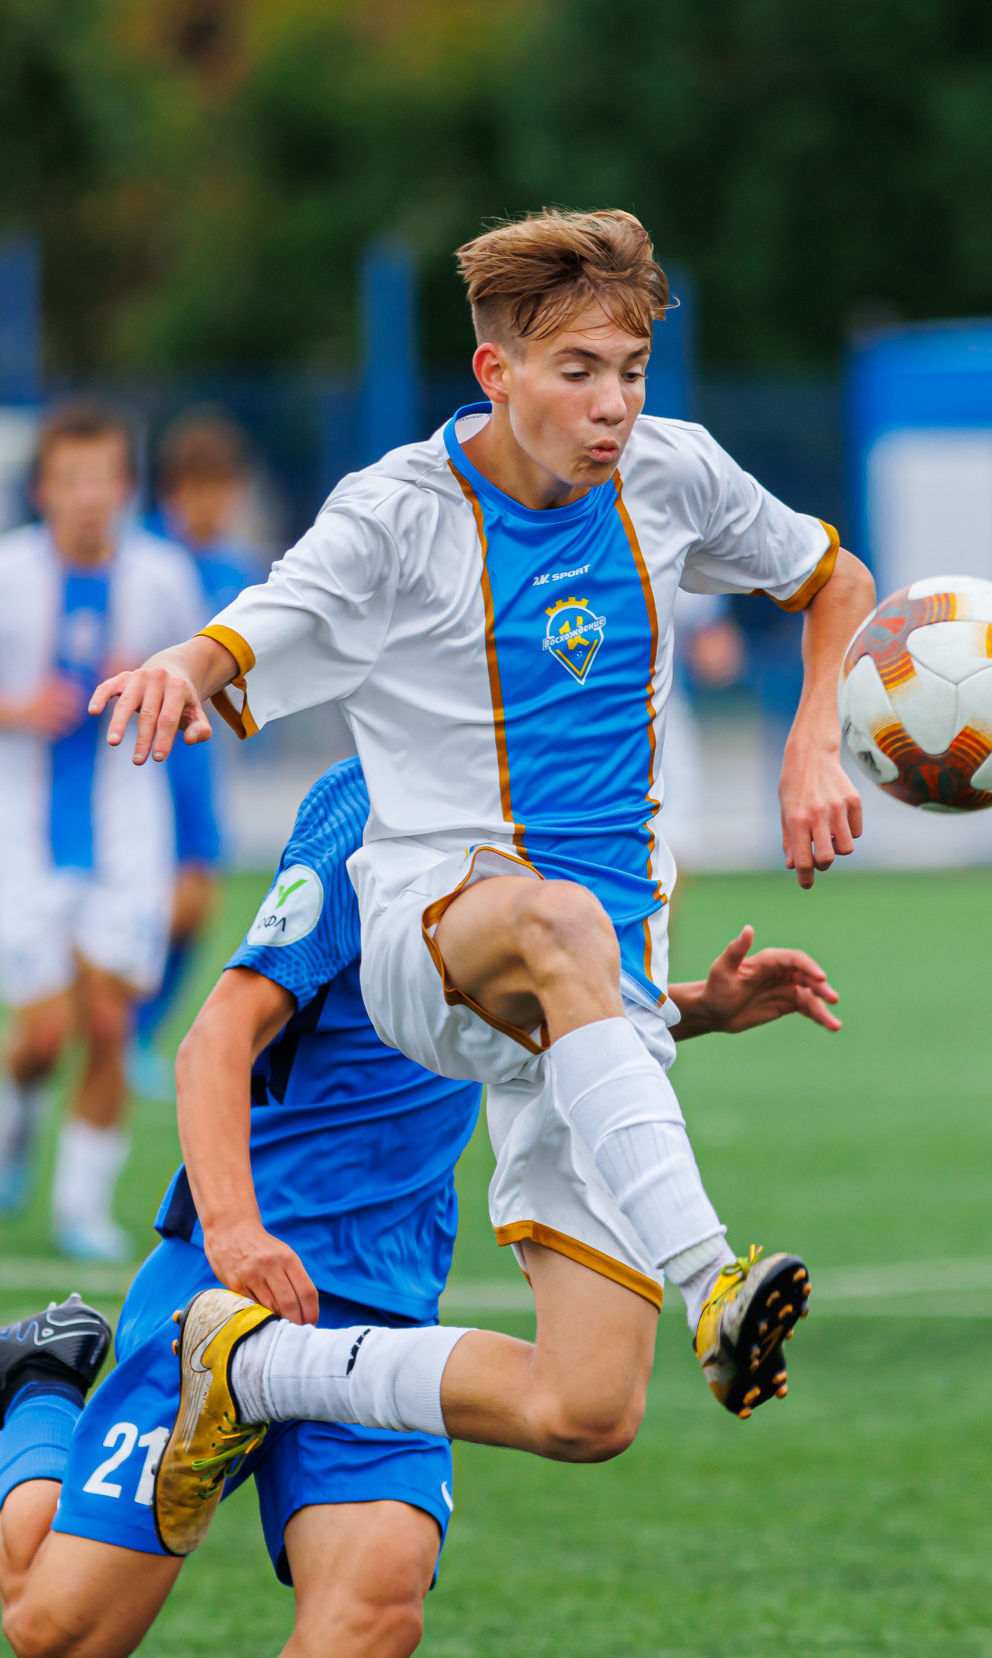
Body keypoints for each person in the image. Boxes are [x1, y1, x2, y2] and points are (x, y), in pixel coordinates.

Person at [85, 208, 876, 1540]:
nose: (614, 403)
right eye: (579, 371)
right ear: (495, 371)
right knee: (563, 919)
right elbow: (253, 625)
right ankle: (714, 1274)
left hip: (584, 992)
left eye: (630, 369)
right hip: (427, 931)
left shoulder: (672, 474)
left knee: (586, 1406)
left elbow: (833, 577)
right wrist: (178, 665)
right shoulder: (399, 513)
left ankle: (251, 1366)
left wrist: (812, 740)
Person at [0, 756, 840, 1658]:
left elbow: (551, 1007)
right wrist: (234, 1235)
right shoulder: (370, 805)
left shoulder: (557, 801)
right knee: (59, 1634)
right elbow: (214, 1040)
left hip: (385, 1318)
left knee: (375, 1613)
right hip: (230, 1292)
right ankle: (40, 1379)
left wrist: (690, 1010)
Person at [0, 398, 204, 1263]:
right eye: (71, 480)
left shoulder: (162, 580)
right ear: (43, 489)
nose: (89, 496)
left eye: (105, 478)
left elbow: (206, 693)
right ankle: (13, 1116)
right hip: (22, 836)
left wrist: (161, 688)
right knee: (45, 1034)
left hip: (128, 831)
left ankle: (83, 1207)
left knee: (113, 1024)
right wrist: (15, 707)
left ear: (126, 486)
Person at [129, 410, 270, 1099]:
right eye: (200, 489)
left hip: (199, 759)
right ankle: (123, 1025)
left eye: (224, 490)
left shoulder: (239, 569)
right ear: (171, 491)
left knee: (197, 898)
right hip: (139, 755)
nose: (214, 505)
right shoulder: (145, 558)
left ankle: (137, 1032)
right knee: (152, 900)